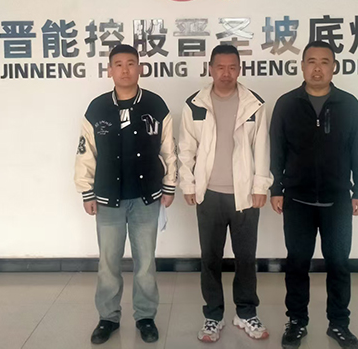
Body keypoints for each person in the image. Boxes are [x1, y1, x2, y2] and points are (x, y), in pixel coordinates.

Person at [269, 40, 358, 349]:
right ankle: (296, 321)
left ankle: (339, 324)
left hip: (337, 199)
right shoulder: (287, 104)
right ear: (302, 66)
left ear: (334, 67)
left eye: (324, 62)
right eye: (311, 61)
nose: (317, 68)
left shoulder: (349, 104)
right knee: (297, 263)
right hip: (297, 199)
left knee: (338, 263)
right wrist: (276, 188)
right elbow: (276, 150)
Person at [74, 44, 177, 344]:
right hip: (108, 199)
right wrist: (86, 191)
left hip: (146, 197)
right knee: (108, 263)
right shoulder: (97, 109)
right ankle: (108, 317)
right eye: (118, 64)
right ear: (109, 70)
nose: (125, 70)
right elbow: (85, 153)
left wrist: (169, 185)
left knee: (145, 263)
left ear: (140, 68)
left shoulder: (156, 106)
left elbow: (168, 149)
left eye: (131, 63)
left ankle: (145, 316)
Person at [178, 44, 273, 343]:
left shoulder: (254, 104)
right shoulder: (195, 104)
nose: (226, 73)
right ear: (210, 69)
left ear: (239, 69)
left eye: (232, 67)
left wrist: (260, 186)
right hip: (209, 194)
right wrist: (188, 184)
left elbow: (262, 148)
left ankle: (246, 313)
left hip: (244, 195)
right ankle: (213, 316)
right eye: (220, 67)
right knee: (210, 258)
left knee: (246, 258)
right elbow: (186, 149)